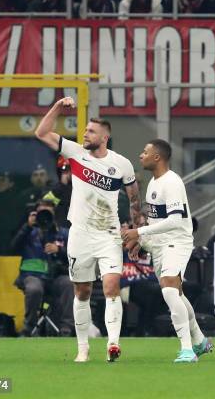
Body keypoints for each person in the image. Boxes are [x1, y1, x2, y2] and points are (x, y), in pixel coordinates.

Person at [34, 97, 142, 363]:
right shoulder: (74, 152)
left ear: (104, 137)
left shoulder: (122, 164)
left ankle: (113, 344)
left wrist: (136, 233)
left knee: (111, 285)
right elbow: (41, 132)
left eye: (91, 131)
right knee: (81, 292)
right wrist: (58, 107)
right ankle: (83, 348)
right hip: (80, 234)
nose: (85, 134)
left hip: (108, 234)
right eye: (84, 131)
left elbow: (135, 200)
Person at [121, 139, 213, 363]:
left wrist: (139, 232)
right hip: (160, 246)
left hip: (176, 242)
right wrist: (141, 242)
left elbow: (174, 220)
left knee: (169, 290)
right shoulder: (154, 183)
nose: (140, 155)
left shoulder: (172, 182)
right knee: (177, 293)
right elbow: (156, 222)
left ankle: (187, 350)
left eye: (145, 151)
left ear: (157, 157)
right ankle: (200, 341)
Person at [11, 199, 74, 337]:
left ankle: (66, 329)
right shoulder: (28, 232)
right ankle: (29, 328)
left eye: (48, 212)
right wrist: (27, 226)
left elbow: (77, 255)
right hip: (32, 276)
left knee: (69, 284)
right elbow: (12, 248)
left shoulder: (64, 233)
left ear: (54, 214)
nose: (44, 216)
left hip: (55, 277)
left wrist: (59, 249)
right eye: (41, 212)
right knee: (34, 288)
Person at [42, 156, 72, 228]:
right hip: (60, 230)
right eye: (65, 170)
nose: (69, 173)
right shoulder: (55, 190)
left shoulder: (83, 188)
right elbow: (46, 202)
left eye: (70, 169)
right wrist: (62, 185)